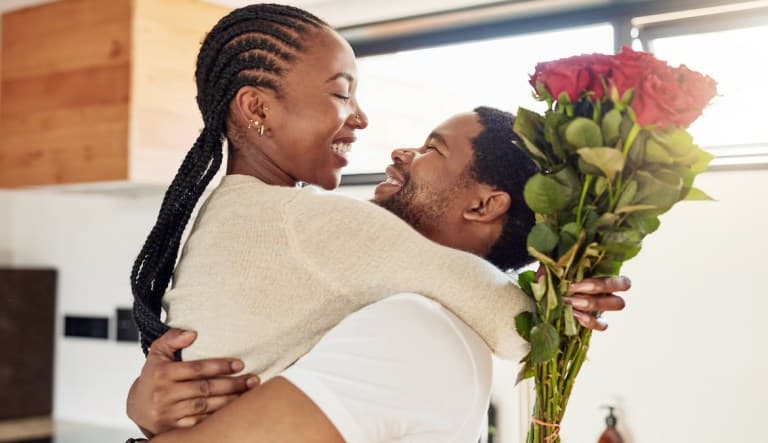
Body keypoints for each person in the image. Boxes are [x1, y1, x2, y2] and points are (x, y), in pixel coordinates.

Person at [131, 2, 623, 387]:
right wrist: (565, 298)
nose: (362, 117)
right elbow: (519, 332)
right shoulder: (306, 223)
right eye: (342, 93)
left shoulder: (245, 210)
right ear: (257, 107)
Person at [127, 108, 630, 442]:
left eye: (432, 149)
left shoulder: (416, 328)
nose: (401, 153)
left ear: (483, 204)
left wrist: (142, 421)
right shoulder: (408, 317)